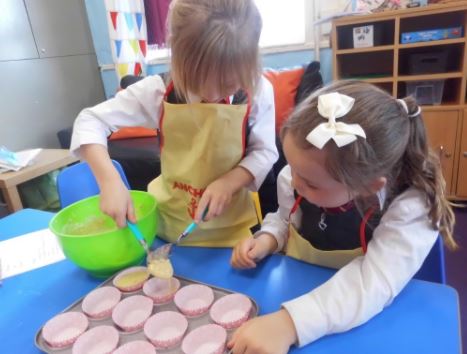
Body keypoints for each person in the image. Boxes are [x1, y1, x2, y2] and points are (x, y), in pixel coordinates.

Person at [229, 80, 457, 353]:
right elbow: (285, 218)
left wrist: (290, 323)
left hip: (361, 320)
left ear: (368, 186)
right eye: (292, 167)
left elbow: (372, 282)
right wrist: (269, 238)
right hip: (299, 286)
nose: (293, 181)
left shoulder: (410, 206)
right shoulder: (298, 176)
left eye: (312, 184)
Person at [70, 0, 278, 246]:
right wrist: (109, 181)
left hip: (232, 233)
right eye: (198, 81)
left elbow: (264, 151)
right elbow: (90, 120)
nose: (211, 94)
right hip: (168, 225)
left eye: (227, 84)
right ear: (177, 58)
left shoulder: (259, 91)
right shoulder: (157, 92)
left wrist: (229, 182)